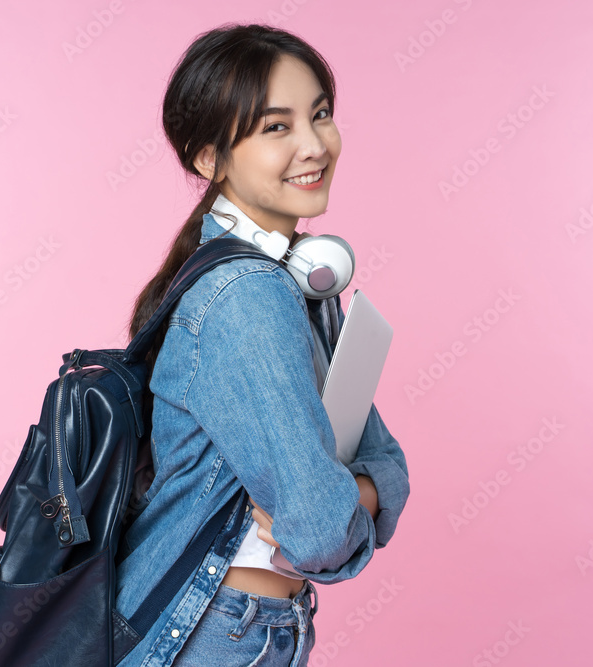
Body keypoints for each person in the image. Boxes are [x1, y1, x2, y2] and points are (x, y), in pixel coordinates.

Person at [114, 23, 410, 667]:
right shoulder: (248, 294)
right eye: (276, 127)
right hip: (219, 631)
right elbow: (320, 528)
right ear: (209, 159)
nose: (314, 144)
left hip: (243, 623)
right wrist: (356, 496)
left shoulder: (300, 278)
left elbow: (384, 462)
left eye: (321, 115)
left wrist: (355, 489)